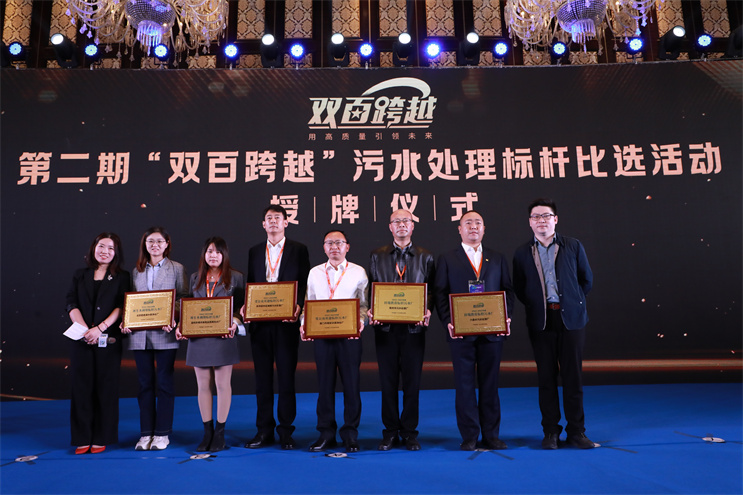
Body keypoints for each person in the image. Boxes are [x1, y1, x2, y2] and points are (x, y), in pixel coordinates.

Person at [512, 198, 595, 450]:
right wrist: (539, 305)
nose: (541, 221)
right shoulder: (522, 252)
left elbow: (586, 280)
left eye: (546, 216)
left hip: (571, 320)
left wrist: (570, 302)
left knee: (573, 378)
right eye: (536, 217)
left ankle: (577, 431)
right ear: (530, 222)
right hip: (541, 321)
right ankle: (550, 432)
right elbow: (520, 288)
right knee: (546, 378)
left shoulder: (573, 246)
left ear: (555, 219)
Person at [433, 210, 514, 451]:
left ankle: (491, 435)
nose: (473, 226)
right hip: (461, 332)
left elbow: (508, 291)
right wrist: (448, 321)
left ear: (484, 229)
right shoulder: (448, 258)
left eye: (478, 222)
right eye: (468, 223)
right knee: (465, 385)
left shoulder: (497, 258)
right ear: (460, 229)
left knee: (490, 384)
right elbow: (440, 292)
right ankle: (469, 435)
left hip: (492, 332)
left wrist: (505, 317)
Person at [242, 205, 310, 450]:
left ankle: (286, 431)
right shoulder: (254, 251)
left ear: (286, 222)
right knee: (262, 381)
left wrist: (299, 306)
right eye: (268, 218)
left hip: (286, 324)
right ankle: (263, 430)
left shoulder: (298, 249)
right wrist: (247, 306)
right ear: (263, 224)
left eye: (277, 218)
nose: (273, 222)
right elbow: (251, 283)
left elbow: (304, 282)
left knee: (286, 379)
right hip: (260, 325)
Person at [368, 209, 435, 451]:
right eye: (396, 221)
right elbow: (372, 289)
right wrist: (372, 311)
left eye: (406, 220)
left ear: (412, 225)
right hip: (385, 329)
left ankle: (409, 433)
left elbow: (432, 291)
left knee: (411, 383)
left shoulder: (425, 256)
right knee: (387, 384)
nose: (401, 225)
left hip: (413, 329)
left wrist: (427, 310)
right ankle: (389, 432)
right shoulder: (378, 256)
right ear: (390, 227)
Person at [300, 230, 368, 453]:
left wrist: (360, 322)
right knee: (324, 386)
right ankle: (325, 433)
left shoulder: (358, 272)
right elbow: (308, 303)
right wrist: (304, 323)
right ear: (324, 247)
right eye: (329, 243)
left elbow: (364, 305)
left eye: (339, 243)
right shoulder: (315, 272)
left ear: (347, 247)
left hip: (349, 337)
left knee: (351, 386)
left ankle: (350, 434)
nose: (334, 247)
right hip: (323, 337)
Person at [121, 227, 188, 451]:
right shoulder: (136, 270)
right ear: (145, 244)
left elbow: (183, 298)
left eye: (159, 241)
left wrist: (172, 316)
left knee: (165, 383)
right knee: (144, 385)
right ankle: (145, 433)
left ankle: (162, 433)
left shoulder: (176, 268)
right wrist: (127, 319)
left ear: (167, 244)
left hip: (165, 333)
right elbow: (131, 302)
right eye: (150, 241)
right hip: (140, 335)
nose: (155, 245)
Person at [176, 237, 244, 452]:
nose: (213, 255)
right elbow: (189, 306)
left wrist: (235, 323)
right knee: (203, 385)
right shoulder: (195, 278)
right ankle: (207, 431)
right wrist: (182, 325)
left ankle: (220, 433)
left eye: (217, 252)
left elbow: (241, 308)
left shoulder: (236, 277)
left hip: (224, 337)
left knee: (223, 385)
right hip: (199, 338)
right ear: (204, 254)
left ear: (224, 255)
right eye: (209, 251)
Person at [65, 233, 131, 455]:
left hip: (108, 339)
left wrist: (99, 328)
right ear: (93, 248)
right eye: (101, 246)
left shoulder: (122, 276)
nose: (105, 251)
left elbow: (122, 306)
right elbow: (71, 303)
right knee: (81, 387)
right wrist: (85, 329)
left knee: (106, 388)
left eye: (111, 248)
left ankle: (103, 436)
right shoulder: (79, 274)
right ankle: (82, 437)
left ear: (116, 253)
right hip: (81, 338)